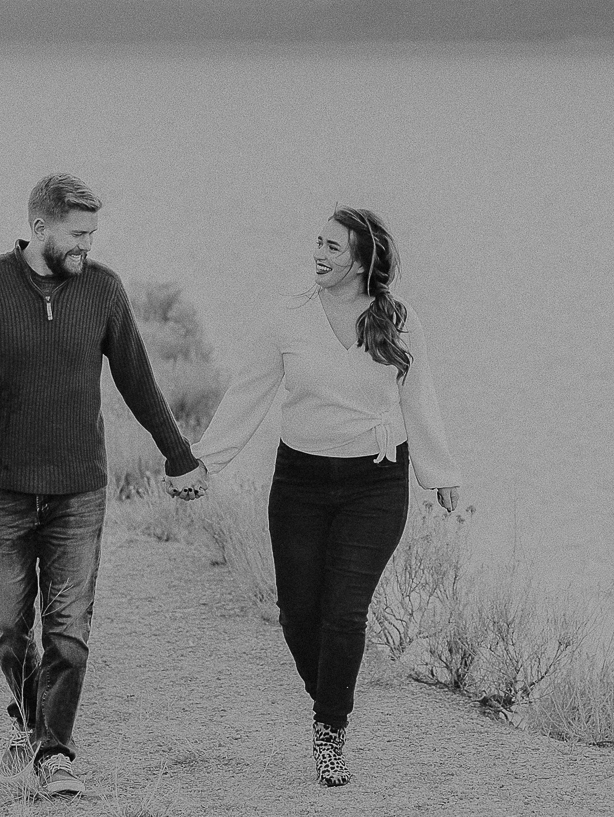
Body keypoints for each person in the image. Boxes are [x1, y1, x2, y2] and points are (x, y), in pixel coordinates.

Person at [0, 173, 207, 798]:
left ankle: (53, 753)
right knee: (5, 624)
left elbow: (138, 379)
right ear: (40, 227)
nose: (86, 247)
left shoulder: (102, 290)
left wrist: (179, 456)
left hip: (78, 490)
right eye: (77, 235)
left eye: (93, 235)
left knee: (69, 630)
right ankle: (31, 719)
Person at [193, 207, 461, 786]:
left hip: (376, 482)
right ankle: (331, 693)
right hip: (301, 484)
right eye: (318, 244)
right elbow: (249, 395)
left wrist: (440, 472)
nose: (319, 255)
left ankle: (329, 730)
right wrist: (203, 465)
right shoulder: (289, 319)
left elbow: (421, 396)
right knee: (299, 614)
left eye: (333, 249)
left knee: (344, 612)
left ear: (363, 261)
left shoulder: (399, 318)